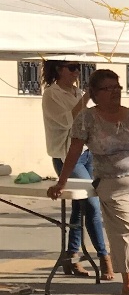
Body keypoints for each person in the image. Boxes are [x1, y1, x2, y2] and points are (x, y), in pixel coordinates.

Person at [47, 70, 129, 295]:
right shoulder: (87, 118)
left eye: (117, 87)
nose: (114, 92)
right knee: (126, 231)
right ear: (95, 94)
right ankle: (128, 286)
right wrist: (61, 181)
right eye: (108, 88)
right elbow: (74, 150)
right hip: (112, 182)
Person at [41, 60, 111, 279]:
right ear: (59, 69)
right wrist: (87, 97)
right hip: (66, 157)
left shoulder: (76, 92)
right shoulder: (51, 95)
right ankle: (104, 256)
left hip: (86, 153)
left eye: (78, 67)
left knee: (79, 208)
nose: (76, 72)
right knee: (92, 203)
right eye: (72, 67)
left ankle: (71, 255)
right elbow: (69, 119)